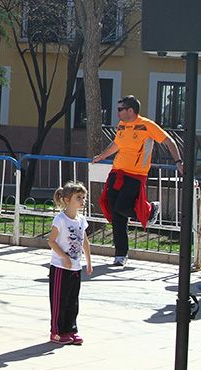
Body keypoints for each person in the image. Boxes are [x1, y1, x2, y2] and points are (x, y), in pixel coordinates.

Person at [92, 95, 177, 267]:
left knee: (121, 207)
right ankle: (120, 254)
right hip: (117, 172)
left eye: (120, 109)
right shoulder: (122, 125)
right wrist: (102, 156)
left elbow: (170, 141)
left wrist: (178, 162)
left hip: (135, 175)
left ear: (130, 110)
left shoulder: (147, 125)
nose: (118, 113)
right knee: (116, 214)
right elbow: (116, 144)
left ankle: (150, 209)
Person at [47, 182, 92, 345]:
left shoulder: (81, 220)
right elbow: (51, 241)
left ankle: (71, 330)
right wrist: (64, 257)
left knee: (73, 300)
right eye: (78, 197)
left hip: (75, 267)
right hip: (60, 267)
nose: (82, 200)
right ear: (67, 200)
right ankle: (57, 332)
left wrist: (88, 261)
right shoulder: (60, 219)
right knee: (60, 300)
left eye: (83, 197)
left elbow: (84, 241)